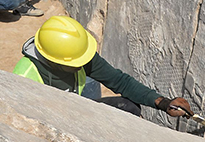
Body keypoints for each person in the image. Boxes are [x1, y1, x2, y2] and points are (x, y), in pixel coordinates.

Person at [14, 15, 193, 118]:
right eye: (76, 63)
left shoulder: (78, 54)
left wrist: (162, 102)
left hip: (73, 108)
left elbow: (119, 81)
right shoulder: (24, 77)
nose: (83, 64)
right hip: (49, 119)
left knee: (128, 107)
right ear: (54, 61)